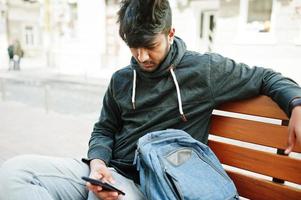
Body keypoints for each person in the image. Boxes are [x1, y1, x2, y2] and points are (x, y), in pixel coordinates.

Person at [0, 0, 301, 199]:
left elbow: (266, 77)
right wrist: (97, 164)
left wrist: (296, 103)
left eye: (150, 46)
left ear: (170, 33)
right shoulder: (121, 79)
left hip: (155, 185)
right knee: (13, 173)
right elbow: (104, 129)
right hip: (109, 173)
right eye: (133, 47)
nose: (142, 56)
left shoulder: (204, 70)